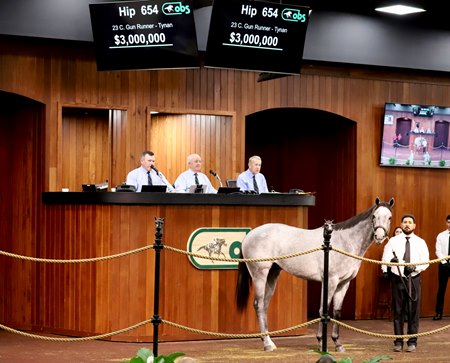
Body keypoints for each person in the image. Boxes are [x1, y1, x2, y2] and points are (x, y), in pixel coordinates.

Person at [381, 214, 429, 353]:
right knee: (398, 311)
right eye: (405, 222)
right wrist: (391, 262)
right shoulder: (392, 241)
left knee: (413, 311)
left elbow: (426, 260)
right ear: (401, 225)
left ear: (414, 226)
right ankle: (398, 341)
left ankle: (412, 341)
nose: (407, 224)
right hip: (398, 278)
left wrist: (415, 268)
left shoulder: (421, 242)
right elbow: (385, 258)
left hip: (413, 278)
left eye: (410, 222)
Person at [432, 214, 450, 320]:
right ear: (446, 223)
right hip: (443, 265)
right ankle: (439, 313)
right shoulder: (441, 235)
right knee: (441, 289)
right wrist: (444, 261)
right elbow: (438, 250)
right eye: (448, 222)